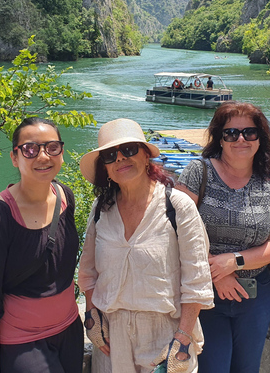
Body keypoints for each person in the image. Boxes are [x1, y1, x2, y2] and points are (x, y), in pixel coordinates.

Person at [77, 119, 214, 373]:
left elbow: (197, 281)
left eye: (128, 149)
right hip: (111, 340)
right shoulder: (101, 210)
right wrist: (92, 317)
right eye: (110, 155)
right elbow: (87, 272)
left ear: (146, 156)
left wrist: (182, 339)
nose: (119, 158)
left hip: (166, 336)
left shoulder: (177, 206)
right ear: (105, 168)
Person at [175, 102, 270, 373]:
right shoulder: (198, 172)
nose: (240, 139)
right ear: (220, 139)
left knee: (247, 368)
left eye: (249, 132)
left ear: (260, 138)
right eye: (231, 133)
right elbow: (174, 231)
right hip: (204, 292)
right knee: (213, 367)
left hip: (255, 295)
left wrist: (233, 262)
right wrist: (218, 272)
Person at [0, 117, 82, 373]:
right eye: (30, 149)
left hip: (70, 329)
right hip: (22, 341)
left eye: (52, 147)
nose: (43, 156)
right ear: (14, 157)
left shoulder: (65, 197)